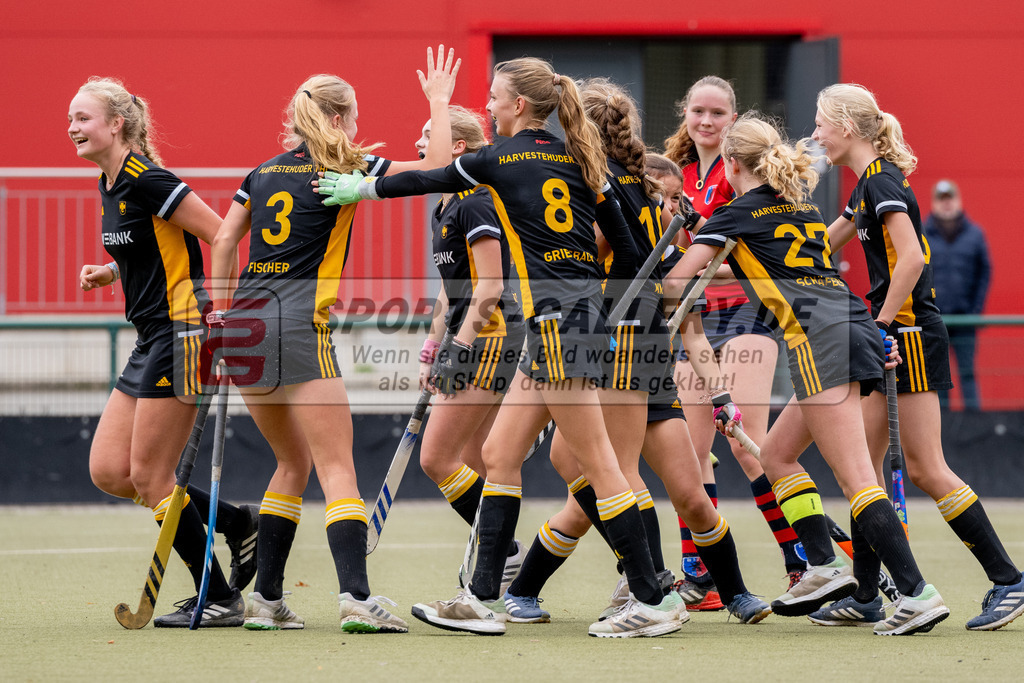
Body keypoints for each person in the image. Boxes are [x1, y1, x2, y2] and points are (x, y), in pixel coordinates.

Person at [317, 56, 687, 638]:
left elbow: (426, 177)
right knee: (499, 455)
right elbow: (635, 257)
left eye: (493, 98)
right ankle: (478, 597)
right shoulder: (585, 163)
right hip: (572, 322)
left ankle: (654, 600)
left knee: (601, 466)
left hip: (558, 327)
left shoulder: (501, 158)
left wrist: (360, 187)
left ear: (518, 105)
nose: (487, 107)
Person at [665, 112, 950, 636]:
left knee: (857, 479)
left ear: (730, 164)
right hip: (854, 328)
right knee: (775, 454)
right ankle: (821, 563)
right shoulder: (797, 208)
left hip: (820, 340)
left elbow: (678, 280)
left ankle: (917, 593)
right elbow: (746, 263)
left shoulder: (735, 212)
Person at [500, 81, 771, 627]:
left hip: (649, 368)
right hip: (608, 361)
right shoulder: (602, 216)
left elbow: (690, 329)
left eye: (673, 200)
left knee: (690, 495)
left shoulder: (660, 243)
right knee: (607, 485)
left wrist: (719, 394)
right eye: (665, 198)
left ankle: (735, 593)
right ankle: (618, 588)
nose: (672, 208)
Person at [208, 46, 460, 632]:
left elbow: (222, 243)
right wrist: (440, 103)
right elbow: (441, 169)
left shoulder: (262, 171)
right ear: (342, 117)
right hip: (298, 325)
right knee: (337, 466)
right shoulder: (345, 167)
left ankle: (267, 602)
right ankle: (356, 597)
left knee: (290, 461)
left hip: (242, 324)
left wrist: (218, 317)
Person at [809, 84, 1022, 631]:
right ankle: (865, 595)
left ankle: (1009, 580)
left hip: (906, 337)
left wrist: (879, 324)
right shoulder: (867, 185)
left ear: (848, 128)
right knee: (864, 469)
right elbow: (820, 246)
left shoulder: (881, 182)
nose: (815, 135)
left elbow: (909, 260)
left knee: (927, 467)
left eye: (820, 124)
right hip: (891, 335)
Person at [71, 77, 259, 628]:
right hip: (150, 336)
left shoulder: (148, 179)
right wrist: (111, 270)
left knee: (152, 478)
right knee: (110, 471)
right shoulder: (109, 184)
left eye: (83, 118)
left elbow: (223, 234)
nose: (72, 128)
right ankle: (233, 520)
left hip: (183, 332)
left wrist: (218, 314)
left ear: (116, 124)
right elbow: (152, 245)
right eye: (71, 119)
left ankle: (219, 597)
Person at [664, 76, 806, 608]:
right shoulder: (676, 178)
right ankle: (700, 577)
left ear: (733, 119)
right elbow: (685, 263)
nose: (705, 121)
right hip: (692, 323)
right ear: (686, 114)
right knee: (690, 453)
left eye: (717, 113)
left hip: (747, 318)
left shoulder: (742, 175)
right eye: (698, 110)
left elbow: (746, 267)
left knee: (752, 450)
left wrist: (705, 271)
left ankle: (802, 564)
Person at [413, 106, 527, 591]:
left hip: (491, 338)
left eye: (428, 135)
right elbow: (450, 289)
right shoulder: (443, 207)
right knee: (479, 458)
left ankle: (506, 551)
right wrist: (433, 342)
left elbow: (490, 286)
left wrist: (458, 350)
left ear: (456, 148)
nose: (418, 145)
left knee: (436, 459)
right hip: (470, 338)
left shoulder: (475, 202)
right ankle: (497, 569)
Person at [923, 179, 991, 410]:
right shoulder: (922, 234)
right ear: (934, 203)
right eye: (942, 200)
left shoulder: (975, 234)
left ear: (958, 200)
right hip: (934, 319)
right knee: (939, 378)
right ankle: (942, 430)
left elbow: (985, 273)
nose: (947, 204)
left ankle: (975, 427)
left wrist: (974, 311)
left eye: (950, 198)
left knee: (967, 373)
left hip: (965, 320)